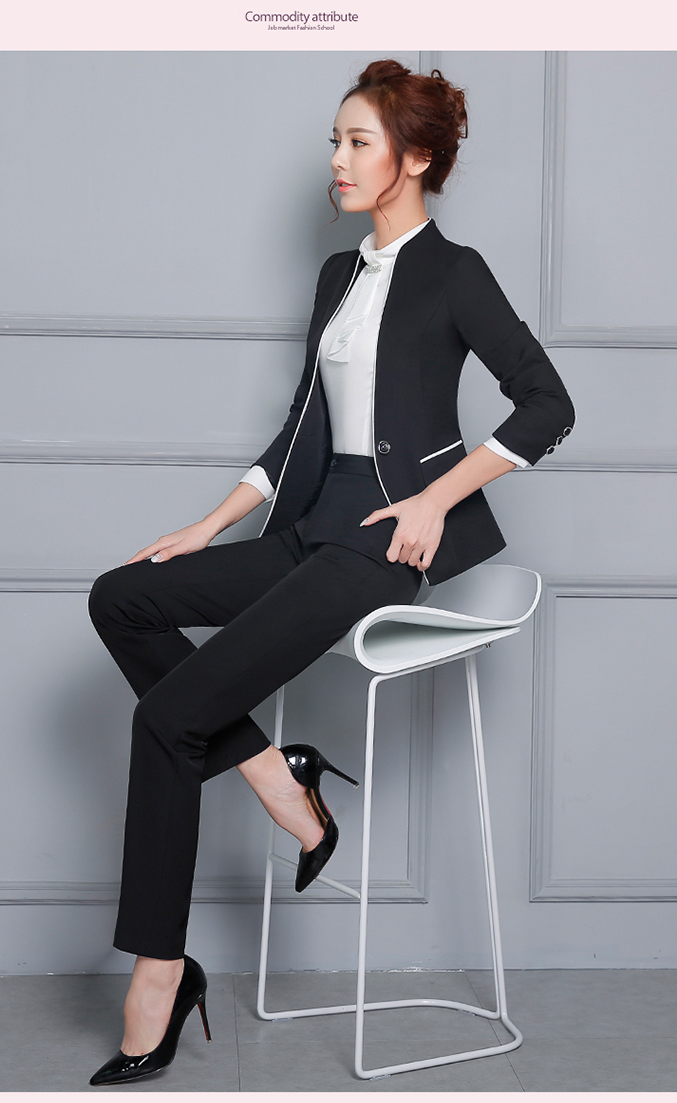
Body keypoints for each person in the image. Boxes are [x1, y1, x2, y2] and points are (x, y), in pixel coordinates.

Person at [87, 58, 575, 1086]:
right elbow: (303, 424)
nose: (339, 160)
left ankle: (161, 972)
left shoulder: (456, 273)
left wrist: (437, 499)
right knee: (121, 596)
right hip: (307, 529)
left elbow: (548, 404)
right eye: (336, 142)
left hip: (381, 546)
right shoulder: (337, 277)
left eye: (359, 142)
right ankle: (279, 774)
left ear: (416, 157)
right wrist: (209, 524)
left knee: (166, 719)